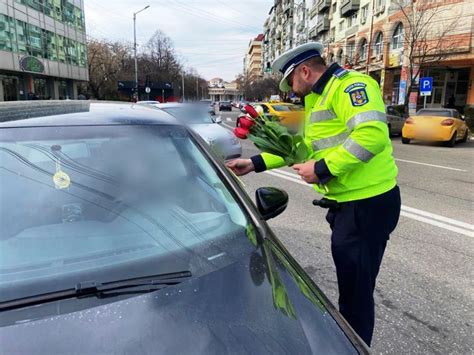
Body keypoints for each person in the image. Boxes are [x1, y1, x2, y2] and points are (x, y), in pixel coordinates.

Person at [226, 42, 401, 346]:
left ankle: (354, 348)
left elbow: (372, 135)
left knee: (355, 297)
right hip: (350, 207)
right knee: (352, 288)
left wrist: (321, 169)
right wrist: (255, 163)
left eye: (291, 82)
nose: (292, 91)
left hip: (366, 205)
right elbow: (302, 149)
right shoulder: (319, 99)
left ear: (305, 71)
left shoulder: (351, 86)